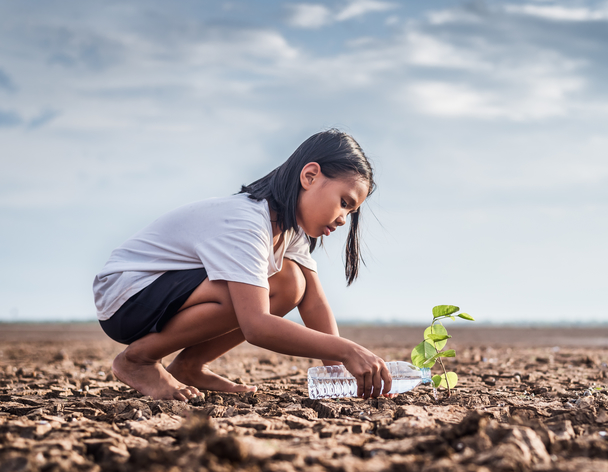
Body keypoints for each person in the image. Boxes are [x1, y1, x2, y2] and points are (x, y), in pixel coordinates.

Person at [92, 129, 391, 401]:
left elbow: (314, 304)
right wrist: (347, 350)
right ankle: (138, 360)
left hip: (160, 293)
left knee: (291, 282)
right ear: (309, 176)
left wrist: (339, 375)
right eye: (344, 202)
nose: (343, 219)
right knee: (242, 291)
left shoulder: (289, 230)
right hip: (127, 295)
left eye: (350, 212)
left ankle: (190, 365)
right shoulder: (247, 223)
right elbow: (256, 326)